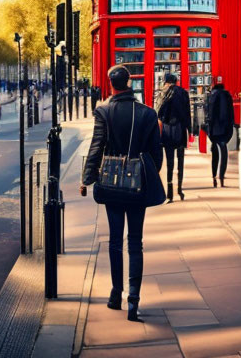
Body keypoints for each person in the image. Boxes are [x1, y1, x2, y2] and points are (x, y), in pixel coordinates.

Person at [80, 65, 164, 322]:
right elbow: (156, 154)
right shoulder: (148, 114)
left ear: (111, 85)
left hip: (112, 183)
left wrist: (87, 179)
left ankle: (116, 294)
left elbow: (97, 147)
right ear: (129, 83)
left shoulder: (103, 111)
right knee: (135, 243)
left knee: (115, 241)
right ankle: (134, 301)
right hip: (138, 185)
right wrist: (146, 175)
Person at [157, 73, 192, 202]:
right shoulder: (183, 93)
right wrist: (190, 130)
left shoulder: (162, 93)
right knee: (181, 160)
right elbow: (188, 114)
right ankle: (180, 189)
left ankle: (170, 192)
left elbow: (158, 113)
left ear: (166, 81)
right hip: (181, 129)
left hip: (167, 130)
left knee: (170, 162)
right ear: (176, 81)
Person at [206, 79, 235, 187]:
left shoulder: (212, 96)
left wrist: (210, 130)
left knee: (215, 153)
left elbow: (210, 115)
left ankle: (214, 176)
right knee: (224, 153)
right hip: (225, 129)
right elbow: (231, 114)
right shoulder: (227, 96)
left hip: (215, 130)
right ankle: (221, 176)